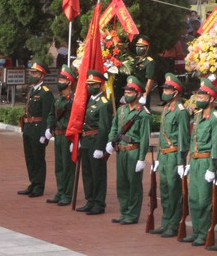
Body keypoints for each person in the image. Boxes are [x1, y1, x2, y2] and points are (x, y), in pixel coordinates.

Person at [107, 76, 151, 225]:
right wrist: (110, 140)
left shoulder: (143, 114)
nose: (127, 94)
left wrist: (141, 158)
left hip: (134, 151)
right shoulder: (121, 110)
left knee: (134, 185)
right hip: (121, 151)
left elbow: (144, 138)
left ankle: (132, 215)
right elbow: (114, 127)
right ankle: (124, 212)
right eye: (126, 92)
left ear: (138, 94)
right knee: (122, 184)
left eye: (130, 92)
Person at [152, 75, 190, 238]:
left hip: (174, 156)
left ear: (176, 92)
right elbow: (162, 136)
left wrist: (181, 161)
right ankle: (166, 222)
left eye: (168, 90)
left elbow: (183, 138)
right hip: (164, 155)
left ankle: (174, 224)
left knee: (174, 191)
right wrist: (158, 158)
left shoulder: (180, 111)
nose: (165, 92)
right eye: (165, 89)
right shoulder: (167, 108)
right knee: (165, 190)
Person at [181, 77, 217, 246]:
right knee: (193, 199)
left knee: (204, 200)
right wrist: (188, 161)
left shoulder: (214, 118)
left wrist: (212, 168)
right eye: (198, 96)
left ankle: (204, 233)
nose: (198, 99)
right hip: (195, 162)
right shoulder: (197, 116)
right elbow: (192, 140)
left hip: (205, 162)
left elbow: (215, 144)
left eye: (202, 96)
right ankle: (196, 231)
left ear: (211, 99)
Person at [76, 70, 113, 216]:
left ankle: (99, 203)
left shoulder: (104, 103)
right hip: (86, 140)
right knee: (87, 173)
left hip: (96, 141)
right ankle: (90, 200)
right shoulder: (89, 100)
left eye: (93, 84)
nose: (90, 87)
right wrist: (80, 140)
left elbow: (104, 127)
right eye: (89, 84)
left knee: (98, 174)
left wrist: (100, 147)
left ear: (100, 85)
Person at [19, 61, 54, 198]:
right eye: (31, 72)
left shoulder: (45, 93)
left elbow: (47, 115)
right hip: (28, 127)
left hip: (38, 128)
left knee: (38, 158)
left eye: (34, 73)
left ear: (41, 76)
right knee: (29, 158)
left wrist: (44, 133)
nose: (31, 75)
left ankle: (39, 186)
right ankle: (33, 183)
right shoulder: (32, 90)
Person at [46, 65, 77, 206]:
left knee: (67, 167)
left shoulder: (74, 100)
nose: (59, 82)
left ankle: (67, 194)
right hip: (58, 135)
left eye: (62, 80)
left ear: (69, 82)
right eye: (59, 79)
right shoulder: (58, 99)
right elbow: (51, 114)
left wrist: (75, 139)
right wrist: (49, 127)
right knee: (59, 166)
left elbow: (76, 120)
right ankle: (60, 191)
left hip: (67, 136)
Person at [131, 35, 157, 106]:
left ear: (147, 47)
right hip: (134, 90)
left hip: (143, 91)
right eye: (137, 46)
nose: (138, 48)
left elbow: (150, 80)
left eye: (141, 46)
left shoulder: (149, 62)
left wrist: (145, 95)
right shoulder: (136, 59)